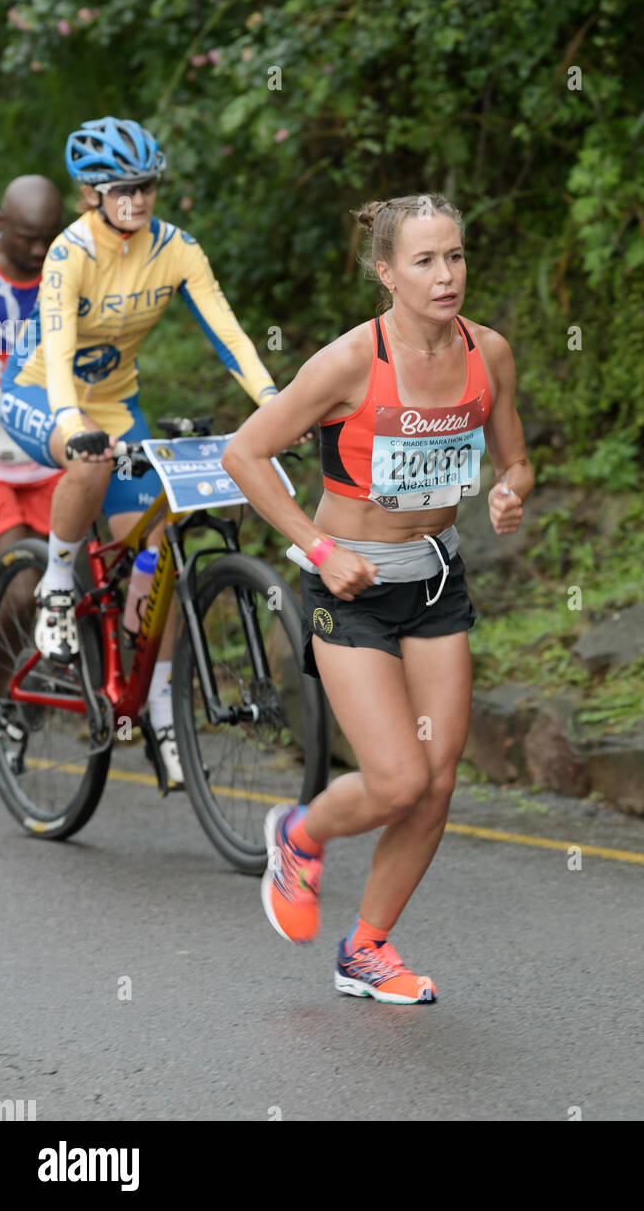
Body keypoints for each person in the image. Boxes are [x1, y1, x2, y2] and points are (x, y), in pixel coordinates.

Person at [222, 193, 533, 1005]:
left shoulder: (487, 353)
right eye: (424, 261)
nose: (445, 275)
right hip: (349, 586)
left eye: (455, 257)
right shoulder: (348, 363)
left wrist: (509, 492)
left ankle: (365, 948)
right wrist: (319, 548)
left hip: (435, 583)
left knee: (436, 782)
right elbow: (245, 453)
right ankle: (299, 835)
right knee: (395, 781)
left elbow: (515, 460)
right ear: (384, 272)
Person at [0, 116, 281, 785]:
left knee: (160, 557)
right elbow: (60, 349)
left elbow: (228, 335)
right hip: (42, 393)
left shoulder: (178, 249)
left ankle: (156, 708)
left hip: (119, 404)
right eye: (120, 189)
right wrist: (69, 420)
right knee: (89, 459)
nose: (136, 200)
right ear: (92, 194)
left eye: (146, 187)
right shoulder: (69, 252)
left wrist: (274, 402)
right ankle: (61, 587)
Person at [0, 176, 64, 564]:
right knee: (17, 581)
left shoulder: (67, 272)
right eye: (27, 237)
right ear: (0, 221)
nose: (39, 249)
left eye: (49, 237)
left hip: (45, 446)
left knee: (54, 584)